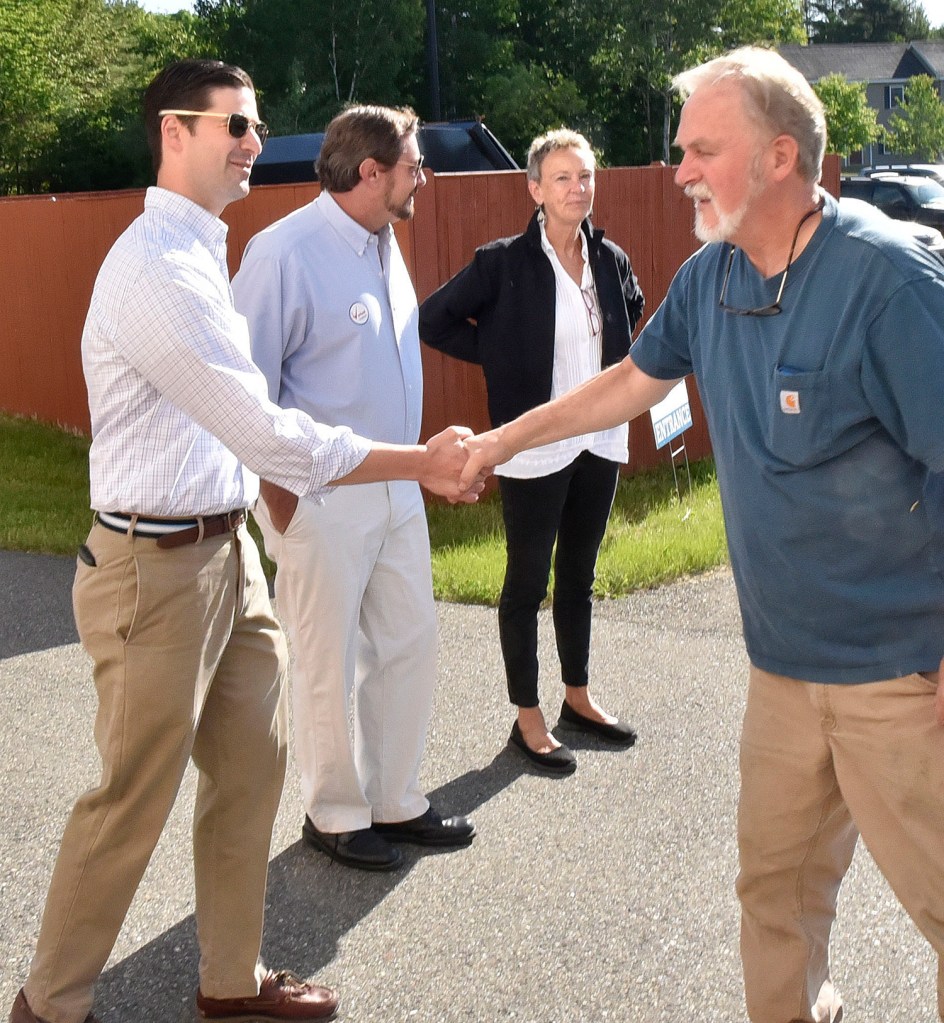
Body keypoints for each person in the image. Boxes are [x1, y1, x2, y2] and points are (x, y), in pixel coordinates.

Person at [458, 47, 944, 1023]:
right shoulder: (706, 279)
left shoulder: (886, 285)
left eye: (698, 150)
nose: (676, 169)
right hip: (779, 675)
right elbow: (624, 386)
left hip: (902, 680)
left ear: (775, 158)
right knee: (772, 893)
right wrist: (498, 441)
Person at [9, 60, 482, 1023]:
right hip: (154, 570)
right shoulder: (155, 267)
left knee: (253, 772)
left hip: (227, 555)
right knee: (131, 797)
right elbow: (268, 430)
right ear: (172, 133)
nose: (254, 142)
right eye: (234, 125)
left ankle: (231, 979)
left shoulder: (203, 251)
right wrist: (420, 462)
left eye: (257, 124)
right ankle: (47, 1005)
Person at [231, 105, 476, 872]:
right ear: (370, 172)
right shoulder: (283, 254)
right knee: (325, 659)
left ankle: (396, 798)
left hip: (399, 484)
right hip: (321, 500)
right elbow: (249, 398)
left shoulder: (383, 240)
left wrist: (416, 470)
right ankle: (334, 814)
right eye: (413, 166)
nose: (422, 178)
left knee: (408, 643)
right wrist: (287, 508)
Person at [419, 129, 644, 774]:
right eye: (564, 178)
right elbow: (435, 320)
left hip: (600, 437)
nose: (579, 188)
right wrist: (497, 353)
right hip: (532, 446)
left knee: (578, 573)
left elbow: (630, 316)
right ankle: (528, 715)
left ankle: (578, 696)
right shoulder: (503, 263)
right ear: (535, 190)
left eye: (587, 176)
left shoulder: (610, 259)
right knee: (526, 581)